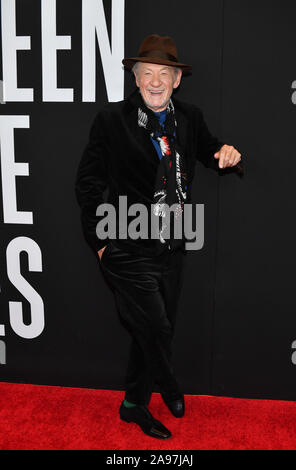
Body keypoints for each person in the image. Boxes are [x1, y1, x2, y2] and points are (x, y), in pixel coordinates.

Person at [75, 34, 242, 439]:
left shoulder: (190, 117)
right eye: (146, 73)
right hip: (126, 243)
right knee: (156, 327)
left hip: (173, 243)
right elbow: (88, 183)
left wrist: (225, 153)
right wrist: (100, 243)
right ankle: (168, 384)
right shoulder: (111, 121)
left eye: (163, 73)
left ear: (176, 81)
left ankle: (132, 405)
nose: (155, 81)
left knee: (147, 328)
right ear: (135, 78)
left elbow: (207, 150)